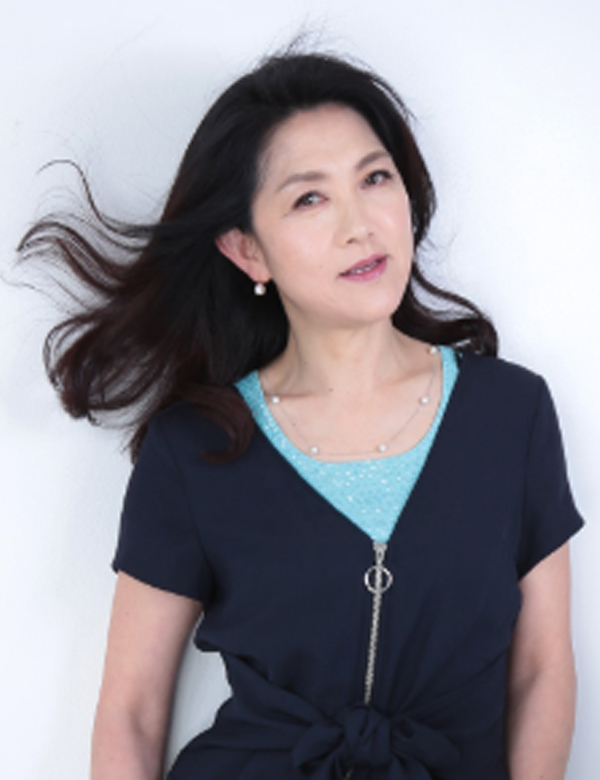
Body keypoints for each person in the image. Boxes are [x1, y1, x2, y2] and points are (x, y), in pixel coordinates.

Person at [19, 50, 583, 780]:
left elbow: (542, 669)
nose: (360, 224)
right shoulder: (193, 447)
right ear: (247, 250)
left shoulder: (511, 413)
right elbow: (132, 710)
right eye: (310, 199)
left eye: (374, 178)